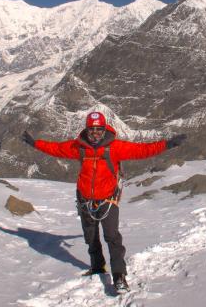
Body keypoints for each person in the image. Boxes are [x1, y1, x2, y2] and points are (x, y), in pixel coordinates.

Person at [21, 111, 186, 293]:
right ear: (86, 131)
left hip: (108, 200)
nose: (95, 135)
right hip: (85, 200)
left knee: (112, 237)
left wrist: (167, 145)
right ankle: (97, 266)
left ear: (104, 129)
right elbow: (56, 148)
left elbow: (142, 150)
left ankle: (119, 276)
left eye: (98, 131)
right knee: (91, 238)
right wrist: (35, 143)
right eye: (92, 131)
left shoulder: (115, 147)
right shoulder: (79, 147)